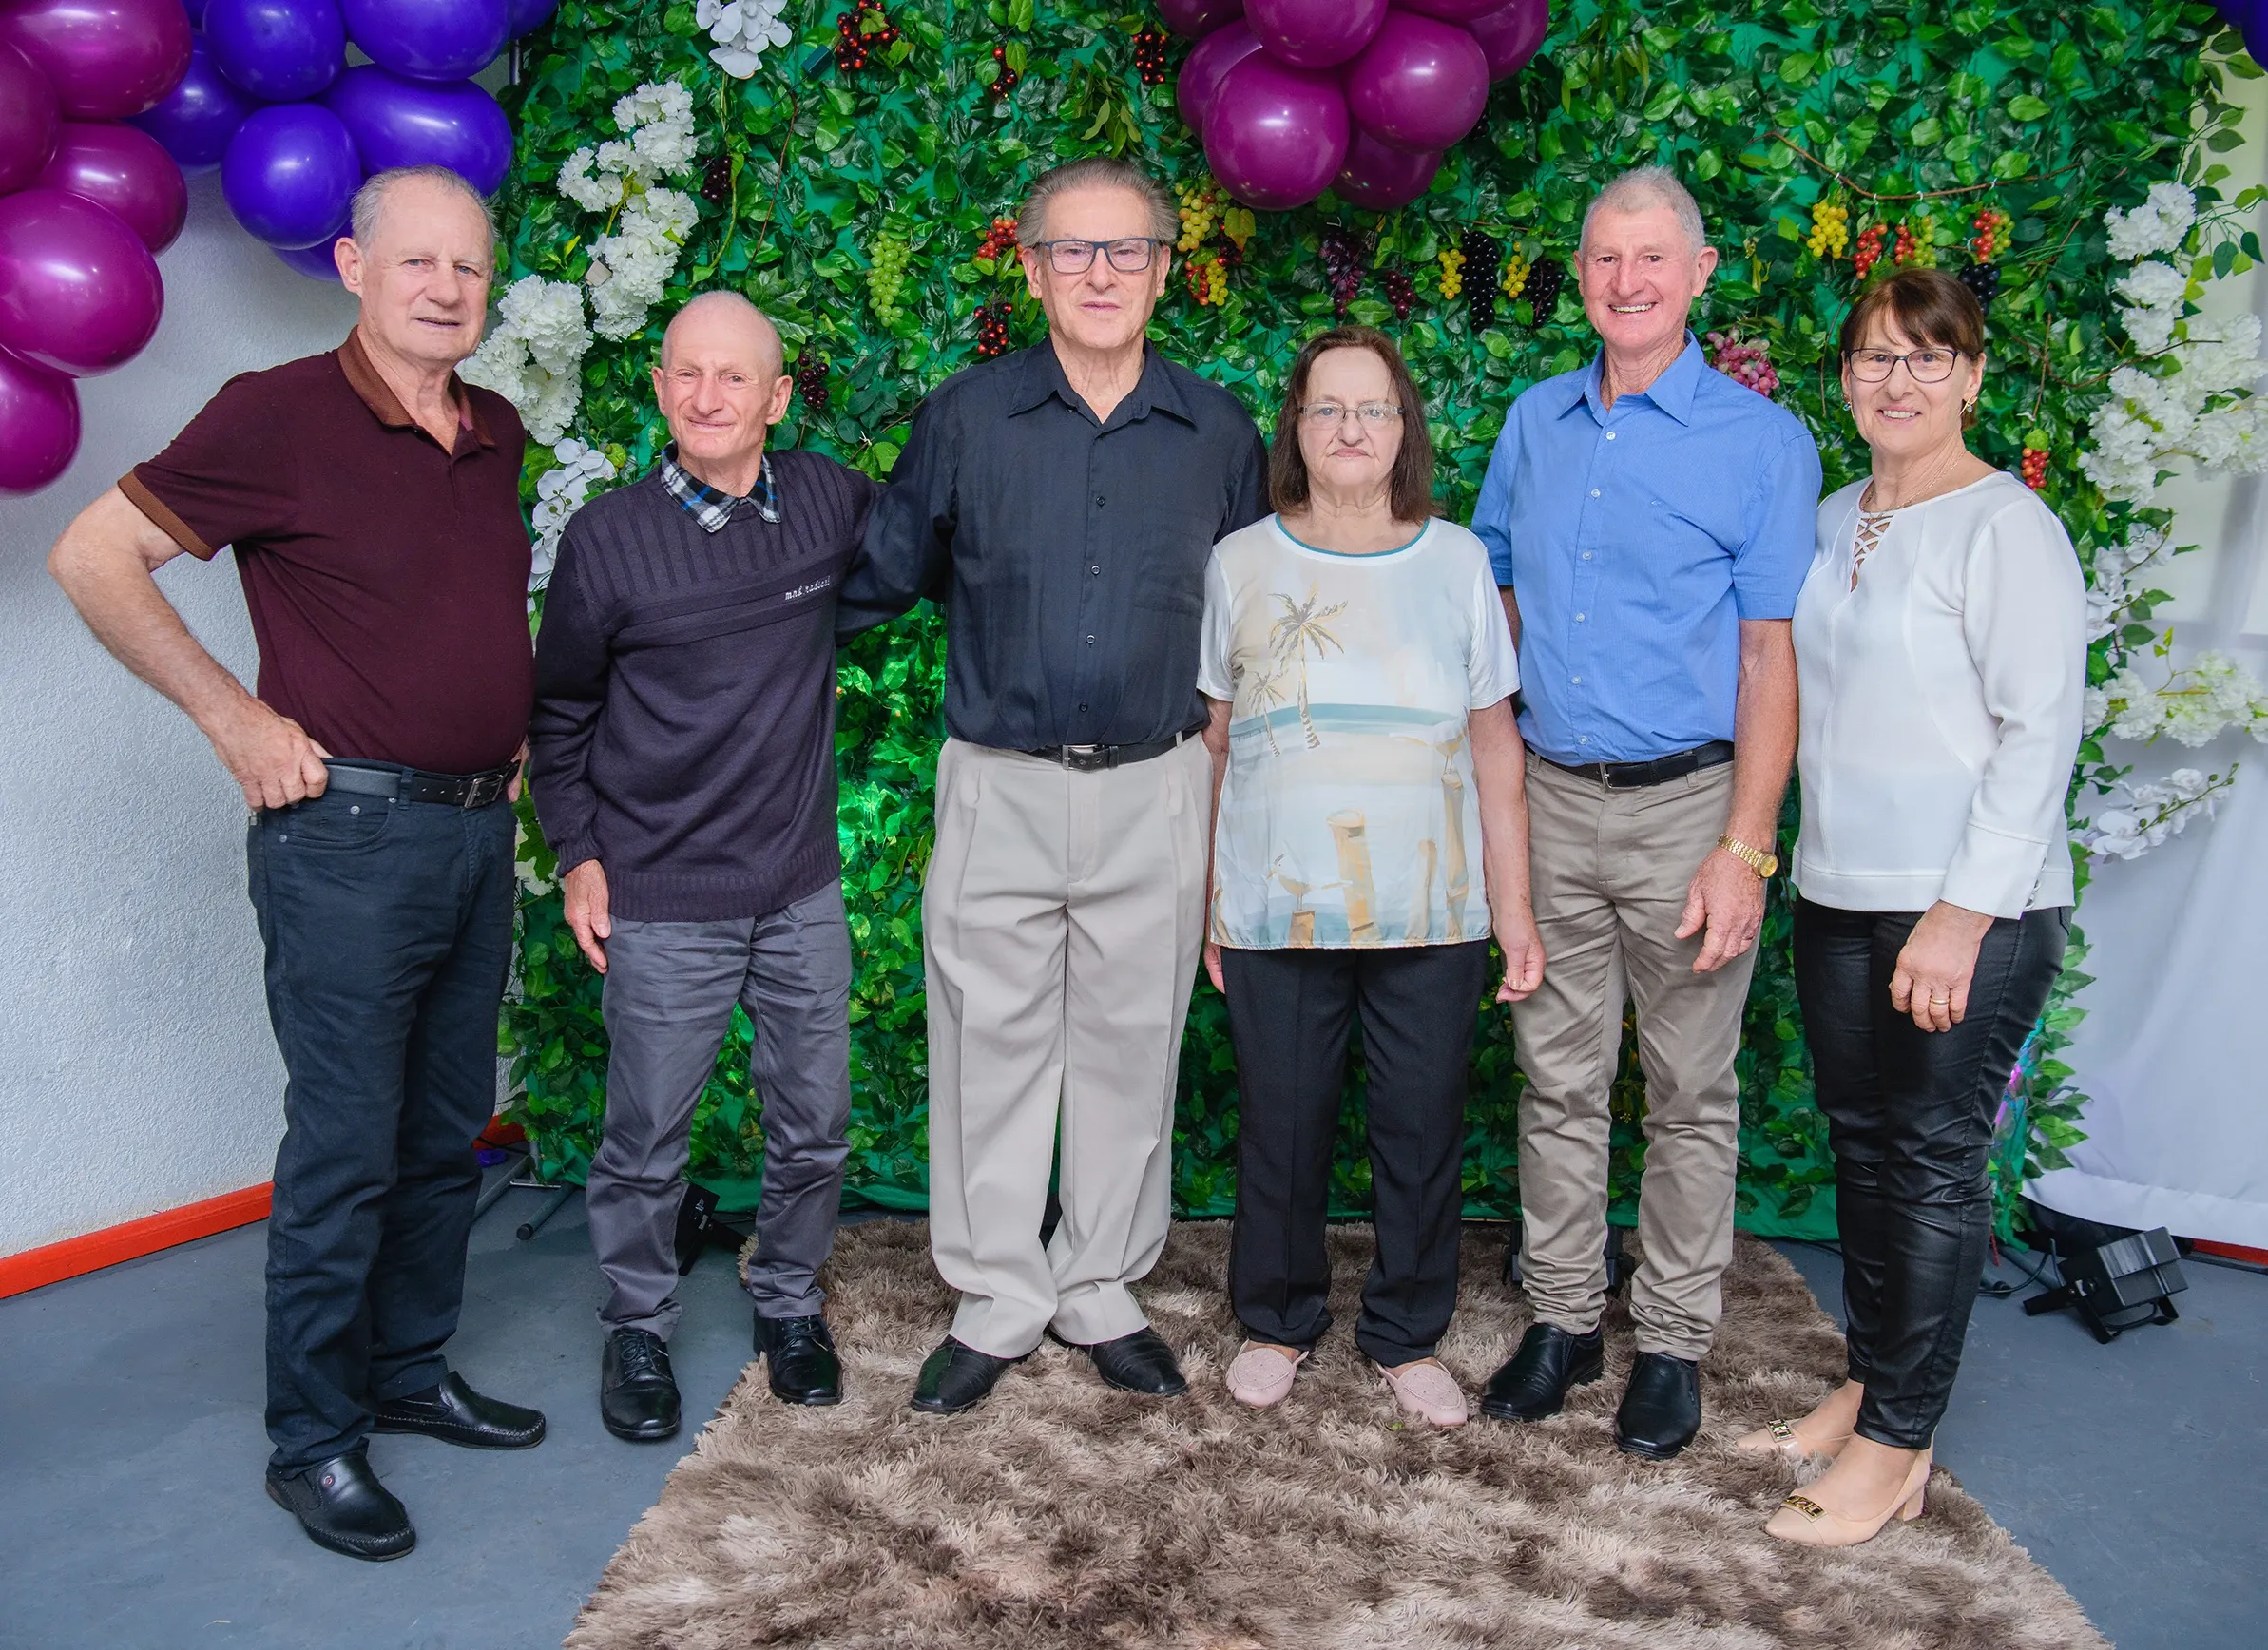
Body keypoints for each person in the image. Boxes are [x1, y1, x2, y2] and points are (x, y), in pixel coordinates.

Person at [46, 165, 545, 1562]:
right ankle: (314, 1444)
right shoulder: (275, 413)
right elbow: (95, 557)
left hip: (468, 832)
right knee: (346, 1149)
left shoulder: (494, 428)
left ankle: (406, 1373)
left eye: (467, 267)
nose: (446, 289)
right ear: (352, 266)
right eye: (417, 264)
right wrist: (234, 718)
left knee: (445, 1133)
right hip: (349, 843)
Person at [839, 156, 1269, 1414]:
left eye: (1124, 249)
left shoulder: (1222, 433)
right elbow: (874, 579)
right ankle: (997, 1292)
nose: (1098, 273)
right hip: (1000, 782)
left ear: (1162, 268)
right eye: (1071, 251)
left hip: (1161, 781)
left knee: (1134, 1042)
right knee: (989, 1040)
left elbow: (1252, 635)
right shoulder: (963, 420)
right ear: (1027, 267)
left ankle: (1097, 1284)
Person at [1470, 165, 1822, 1460]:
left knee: (1686, 1092)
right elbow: (1493, 613)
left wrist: (1744, 847)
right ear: (1581, 275)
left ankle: (1669, 1341)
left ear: (1700, 271)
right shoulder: (1533, 423)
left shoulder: (1761, 444)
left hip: (1689, 808)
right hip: (1552, 802)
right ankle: (1561, 1321)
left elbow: (1767, 659)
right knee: (1554, 1083)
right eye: (1605, 259)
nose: (1627, 282)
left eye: (1652, 260)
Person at [1738, 268, 2084, 1545]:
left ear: (1970, 378)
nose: (1896, 381)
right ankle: (1869, 1383)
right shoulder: (1833, 520)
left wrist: (1960, 914)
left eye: (1925, 360)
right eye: (1874, 359)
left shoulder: (2006, 526)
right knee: (1864, 1147)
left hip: (1963, 913)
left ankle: (1897, 1447)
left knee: (1932, 1164)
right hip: (1836, 889)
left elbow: (2037, 737)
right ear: (1843, 381)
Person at [528, 294, 877, 1442]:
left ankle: (787, 1301)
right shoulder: (608, 538)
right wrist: (578, 854)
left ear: (776, 398)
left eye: (734, 378)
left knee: (815, 1123)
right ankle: (637, 1320)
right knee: (643, 1137)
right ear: (662, 386)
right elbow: (562, 709)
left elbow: (927, 558)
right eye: (685, 375)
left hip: (796, 886)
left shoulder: (828, 502)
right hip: (663, 896)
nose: (706, 397)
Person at [1199, 327, 1545, 1425]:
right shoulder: (1240, 561)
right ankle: (1278, 1318)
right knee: (1283, 1127)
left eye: (1374, 409)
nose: (1351, 429)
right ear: (1295, 430)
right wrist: (1207, 895)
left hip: (1430, 906)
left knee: (1419, 1125)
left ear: (1405, 432)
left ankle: (1405, 1331)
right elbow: (1214, 737)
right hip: (1275, 901)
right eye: (1328, 409)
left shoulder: (1454, 563)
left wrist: (1513, 904)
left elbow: (1495, 741)